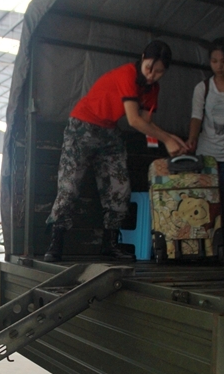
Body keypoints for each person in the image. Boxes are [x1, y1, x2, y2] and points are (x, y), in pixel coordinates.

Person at [44, 40, 186, 262]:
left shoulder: (152, 89)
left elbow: (147, 122)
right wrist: (167, 139)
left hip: (109, 131)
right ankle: (56, 241)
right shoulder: (127, 74)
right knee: (69, 187)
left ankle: (110, 244)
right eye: (149, 67)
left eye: (159, 72)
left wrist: (173, 138)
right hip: (82, 125)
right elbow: (134, 121)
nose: (152, 75)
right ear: (142, 58)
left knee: (120, 188)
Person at [186, 37, 224, 264]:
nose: (219, 65)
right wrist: (192, 140)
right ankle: (205, 248)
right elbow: (196, 117)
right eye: (214, 61)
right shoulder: (202, 87)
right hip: (207, 153)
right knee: (204, 202)